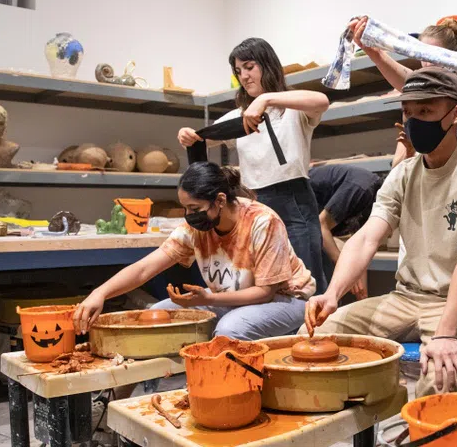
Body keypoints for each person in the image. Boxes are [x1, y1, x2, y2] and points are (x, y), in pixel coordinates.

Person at [304, 68, 457, 397]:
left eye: (426, 111)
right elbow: (368, 237)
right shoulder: (403, 174)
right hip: (406, 298)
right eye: (408, 112)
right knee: (314, 337)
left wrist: (446, 334)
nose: (415, 121)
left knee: (440, 378)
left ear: (455, 114)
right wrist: (332, 294)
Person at [73, 162, 316, 340]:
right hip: (230, 299)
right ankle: (157, 389)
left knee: (230, 330)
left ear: (220, 200)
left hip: (286, 299)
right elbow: (145, 268)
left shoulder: (262, 221)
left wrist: (209, 298)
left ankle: (230, 400)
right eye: (185, 208)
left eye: (194, 207)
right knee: (156, 316)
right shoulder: (196, 227)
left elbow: (264, 292)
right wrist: (100, 293)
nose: (189, 215)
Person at [177, 38, 330, 291]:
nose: (244, 76)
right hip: (254, 204)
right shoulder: (237, 117)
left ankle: (316, 329)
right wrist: (186, 135)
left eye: (249, 67)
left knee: (305, 279)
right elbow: (201, 137)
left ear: (267, 66)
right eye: (238, 71)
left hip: (294, 202)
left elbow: (322, 101)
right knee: (264, 281)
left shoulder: (293, 109)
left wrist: (267, 99)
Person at [346, 18, 457, 169]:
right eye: (424, 56)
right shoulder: (414, 101)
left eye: (435, 56)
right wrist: (409, 152)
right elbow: (397, 169)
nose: (428, 63)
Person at [309, 163, 382, 298]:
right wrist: (343, 265)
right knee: (331, 269)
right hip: (293, 203)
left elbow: (360, 246)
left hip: (317, 218)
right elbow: (321, 225)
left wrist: (362, 297)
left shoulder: (373, 201)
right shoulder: (363, 189)